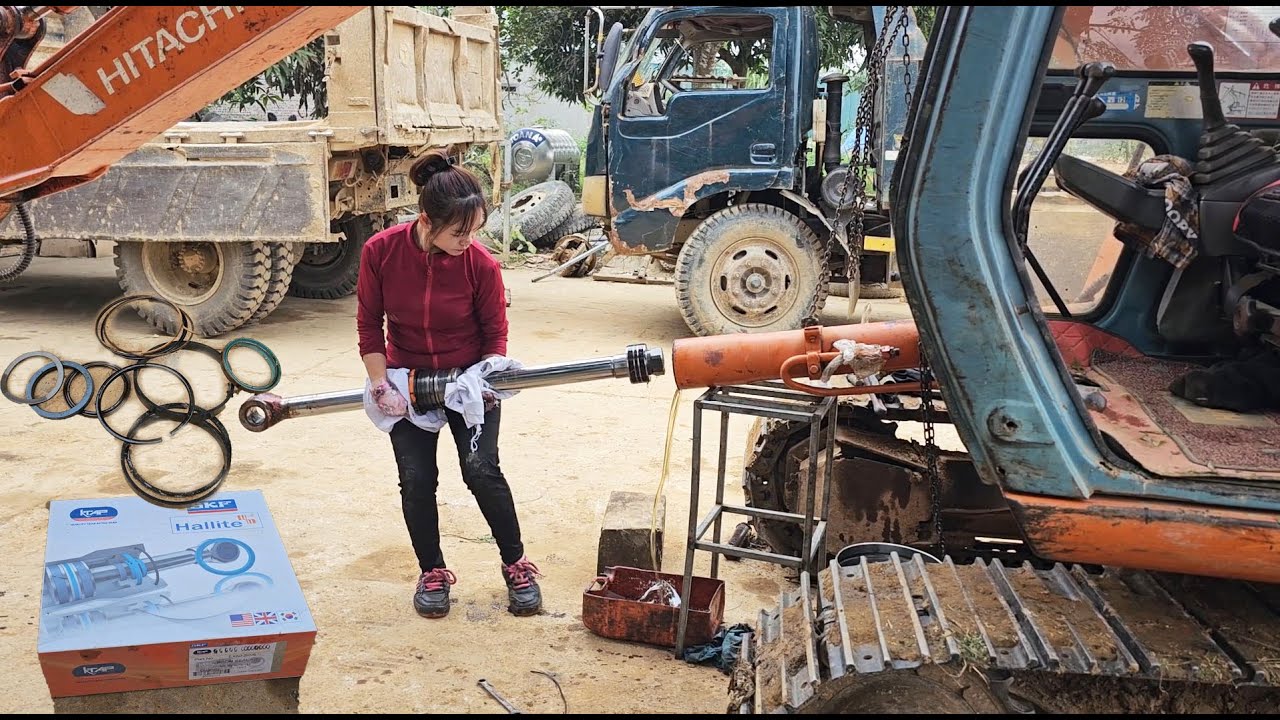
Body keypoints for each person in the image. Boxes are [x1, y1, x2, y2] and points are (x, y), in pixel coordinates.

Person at [355, 150, 542, 619]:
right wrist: (381, 385)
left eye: (475, 230)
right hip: (407, 382)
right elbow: (368, 327)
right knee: (416, 479)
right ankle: (432, 572)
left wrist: (486, 377)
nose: (468, 240)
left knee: (480, 468)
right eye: (459, 232)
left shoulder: (480, 264)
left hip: (469, 379)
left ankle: (516, 564)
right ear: (426, 221)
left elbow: (495, 335)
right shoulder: (380, 252)